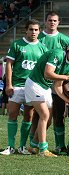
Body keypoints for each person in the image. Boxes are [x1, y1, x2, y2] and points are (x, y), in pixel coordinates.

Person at [24, 39, 69, 157]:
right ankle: (43, 149)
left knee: (48, 119)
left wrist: (67, 100)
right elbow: (48, 73)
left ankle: (34, 145)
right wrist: (67, 77)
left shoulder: (68, 66)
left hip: (45, 87)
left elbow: (57, 87)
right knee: (44, 115)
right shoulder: (58, 54)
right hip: (34, 84)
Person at [0, 19, 48, 155]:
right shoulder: (17, 45)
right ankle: (10, 146)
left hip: (33, 86)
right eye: (31, 29)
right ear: (26, 30)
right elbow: (9, 65)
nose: (33, 32)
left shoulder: (43, 48)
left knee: (28, 116)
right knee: (13, 114)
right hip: (17, 85)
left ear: (39, 31)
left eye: (36, 30)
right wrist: (8, 84)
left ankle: (22, 147)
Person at [38, 11, 69, 153]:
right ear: (45, 21)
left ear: (59, 22)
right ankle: (34, 144)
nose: (52, 23)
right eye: (50, 20)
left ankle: (60, 146)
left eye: (55, 20)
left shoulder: (64, 39)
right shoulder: (38, 37)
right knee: (37, 115)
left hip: (57, 82)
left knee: (59, 114)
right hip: (40, 80)